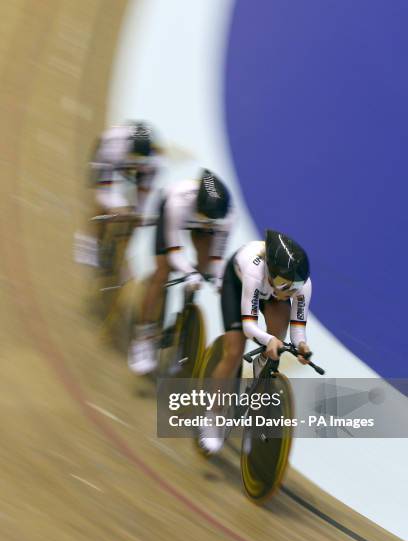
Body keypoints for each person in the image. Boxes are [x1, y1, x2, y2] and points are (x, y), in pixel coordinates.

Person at [199, 229, 312, 453]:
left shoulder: (299, 286)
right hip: (238, 284)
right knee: (233, 352)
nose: (289, 290)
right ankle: (214, 414)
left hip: (269, 293)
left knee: (277, 343)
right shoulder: (255, 270)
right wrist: (268, 340)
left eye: (293, 286)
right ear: (270, 270)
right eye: (283, 282)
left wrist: (301, 346)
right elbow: (249, 327)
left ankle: (258, 385)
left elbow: (297, 329)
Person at [128, 168, 234, 375]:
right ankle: (143, 335)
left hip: (199, 221)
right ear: (198, 205)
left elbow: (217, 259)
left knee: (204, 268)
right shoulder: (178, 202)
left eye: (212, 220)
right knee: (162, 271)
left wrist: (217, 278)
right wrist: (189, 272)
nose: (208, 222)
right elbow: (174, 252)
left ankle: (182, 328)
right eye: (205, 217)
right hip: (173, 217)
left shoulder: (227, 216)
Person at [74, 120, 162, 267]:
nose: (138, 164)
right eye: (135, 159)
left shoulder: (155, 162)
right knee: (103, 206)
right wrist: (117, 207)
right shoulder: (112, 147)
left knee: (134, 215)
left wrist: (138, 213)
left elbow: (144, 192)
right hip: (111, 161)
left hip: (132, 164)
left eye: (141, 161)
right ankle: (90, 241)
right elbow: (102, 192)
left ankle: (121, 255)